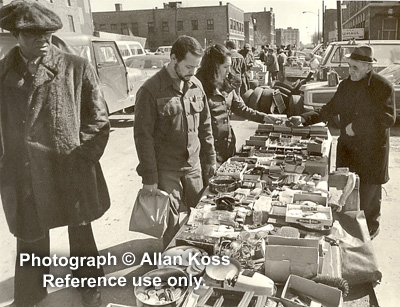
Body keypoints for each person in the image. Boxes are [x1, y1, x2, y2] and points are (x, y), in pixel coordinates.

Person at [0, 1, 111, 306]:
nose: (44, 39)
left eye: (48, 33)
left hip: (69, 168)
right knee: (31, 235)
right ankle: (31, 293)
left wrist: (82, 157)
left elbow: (99, 119)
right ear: (16, 35)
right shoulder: (2, 74)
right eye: (34, 34)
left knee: (81, 232)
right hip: (25, 173)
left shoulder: (76, 67)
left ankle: (88, 285)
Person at [289, 45, 396, 239]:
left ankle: (368, 240)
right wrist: (304, 118)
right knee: (346, 194)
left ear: (368, 67)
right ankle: (349, 235)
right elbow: (329, 109)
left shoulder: (383, 87)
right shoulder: (346, 85)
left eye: (355, 67)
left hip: (372, 153)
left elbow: (387, 118)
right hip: (350, 150)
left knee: (369, 199)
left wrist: (356, 127)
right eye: (349, 66)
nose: (350, 71)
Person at [134, 36, 216, 247]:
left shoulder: (196, 85)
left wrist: (210, 160)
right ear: (173, 59)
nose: (193, 72)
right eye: (189, 66)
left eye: (196, 67)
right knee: (170, 224)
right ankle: (173, 266)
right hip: (166, 169)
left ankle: (196, 257)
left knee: (200, 216)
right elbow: (143, 138)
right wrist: (150, 177)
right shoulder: (151, 90)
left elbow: (205, 127)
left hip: (194, 166)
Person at [196, 44, 277, 167]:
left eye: (230, 66)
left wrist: (264, 117)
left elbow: (240, 108)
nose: (229, 71)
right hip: (208, 152)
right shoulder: (198, 87)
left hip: (228, 145)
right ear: (213, 67)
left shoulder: (226, 83)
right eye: (225, 67)